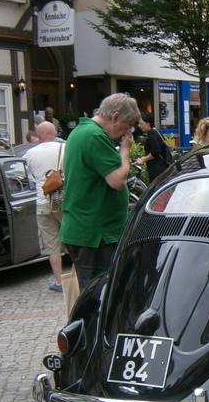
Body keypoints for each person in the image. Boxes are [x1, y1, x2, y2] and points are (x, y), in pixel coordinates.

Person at [59, 93, 138, 287]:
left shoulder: (82, 131)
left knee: (97, 291)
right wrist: (125, 151)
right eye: (127, 125)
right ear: (115, 117)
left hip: (89, 230)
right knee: (99, 296)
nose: (128, 131)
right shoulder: (94, 136)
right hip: (95, 234)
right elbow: (117, 180)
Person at [24, 121, 66, 292]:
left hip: (43, 201)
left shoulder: (29, 153)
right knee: (73, 238)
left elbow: (30, 180)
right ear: (55, 133)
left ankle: (59, 281)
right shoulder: (66, 147)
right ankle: (79, 276)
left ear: (38, 136)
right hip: (64, 199)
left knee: (52, 245)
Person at [133, 113, 173, 183]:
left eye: (141, 123)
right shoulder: (156, 131)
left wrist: (144, 159)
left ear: (148, 123)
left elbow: (156, 151)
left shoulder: (151, 133)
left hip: (157, 170)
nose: (139, 126)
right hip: (162, 168)